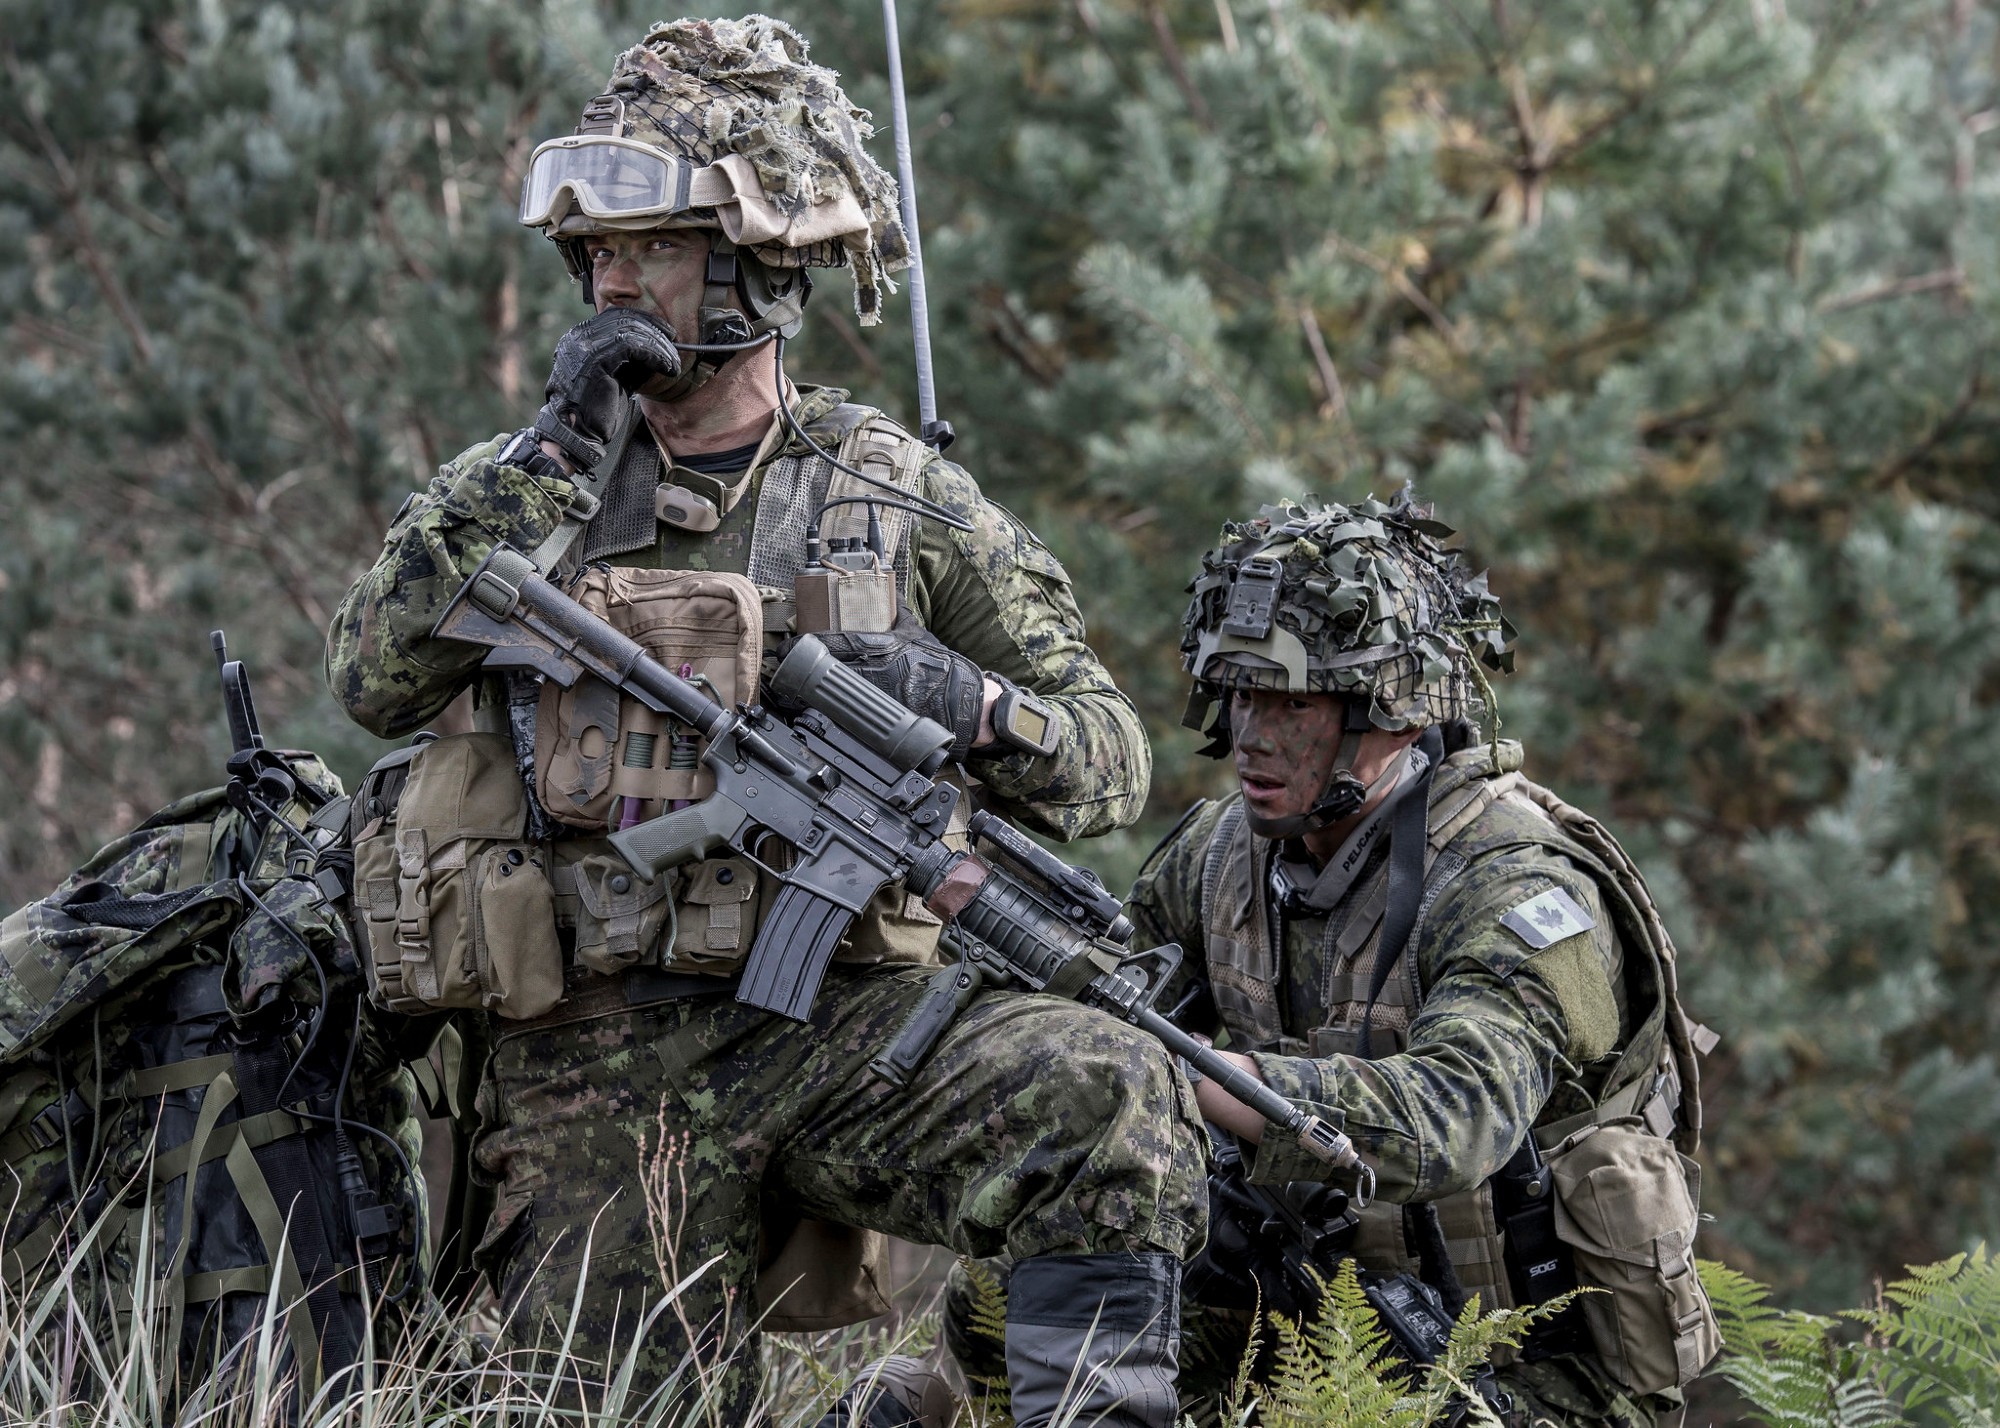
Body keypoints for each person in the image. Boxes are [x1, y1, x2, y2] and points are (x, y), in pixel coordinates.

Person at [324, 17, 1198, 1425]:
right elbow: (373, 680)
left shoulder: (894, 495)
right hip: (593, 1050)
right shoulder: (529, 482)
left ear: (761, 266)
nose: (612, 281)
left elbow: (1110, 762)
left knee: (1105, 1090)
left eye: (655, 248)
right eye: (596, 253)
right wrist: (550, 455)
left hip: (848, 1024)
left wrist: (970, 703)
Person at [937, 494, 1718, 1427]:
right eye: (1240, 694)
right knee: (1004, 1300)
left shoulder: (1515, 887)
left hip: (1527, 1363)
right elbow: (1108, 1000)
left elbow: (1457, 1117)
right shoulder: (1221, 855)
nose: (1253, 735)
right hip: (1316, 1304)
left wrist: (1212, 1076)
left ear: (1395, 713)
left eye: (1293, 703)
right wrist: (962, 901)